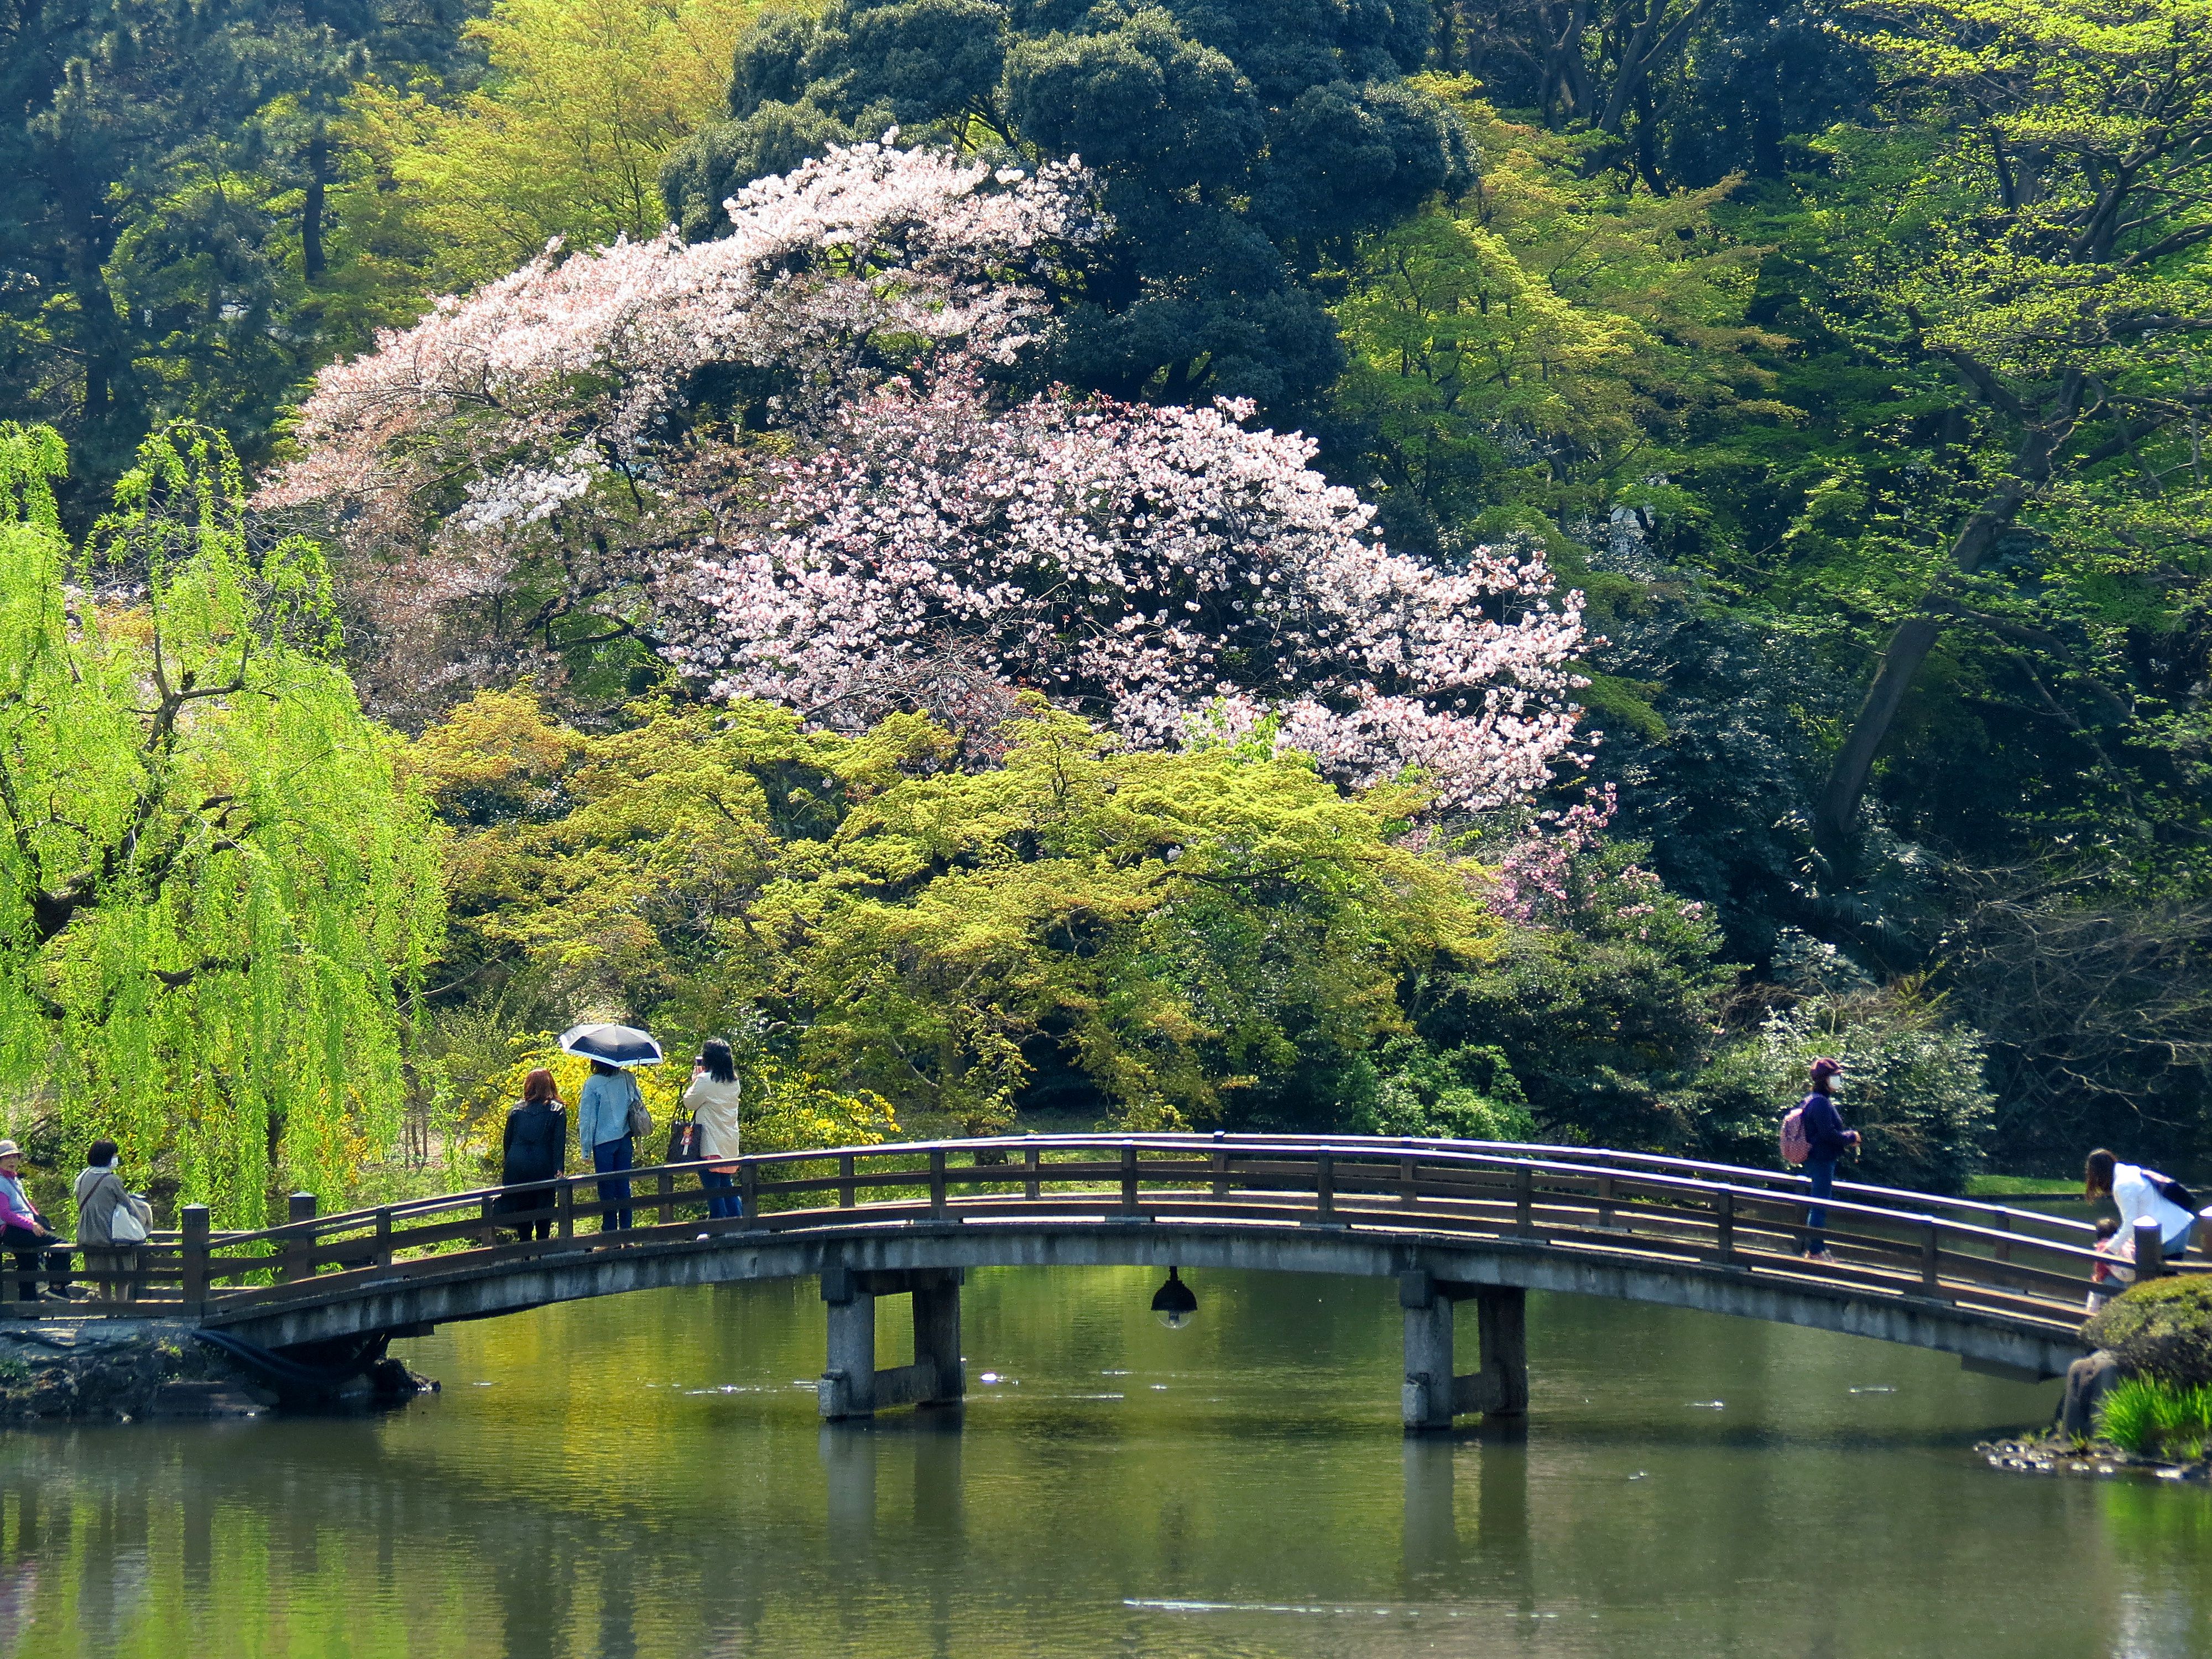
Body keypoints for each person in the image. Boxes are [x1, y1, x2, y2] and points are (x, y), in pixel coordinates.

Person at [1798, 1057, 1861, 1263]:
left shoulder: (1812, 1100)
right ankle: (1815, 1251)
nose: (1838, 1080)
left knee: (1818, 1205)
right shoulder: (1821, 1103)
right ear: (1825, 1079)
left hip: (1815, 1160)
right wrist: (1850, 1138)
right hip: (1822, 1161)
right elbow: (1828, 1134)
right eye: (1835, 1077)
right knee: (1820, 1206)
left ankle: (1818, 1248)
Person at [2083, 1149, 2197, 1258]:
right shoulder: (2132, 1171)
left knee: (2150, 1274)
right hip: (2181, 1225)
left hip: (2166, 1235)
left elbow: (2130, 1224)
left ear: (2099, 1174)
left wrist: (2110, 1249)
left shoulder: (2123, 1186)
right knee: (2169, 1275)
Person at [72, 1139, 147, 1301]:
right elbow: (127, 1204)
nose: (116, 1159)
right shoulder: (112, 1180)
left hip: (89, 1233)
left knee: (103, 1276)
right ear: (108, 1158)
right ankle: (121, 1308)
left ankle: (107, 1308)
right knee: (123, 1274)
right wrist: (142, 1220)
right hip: (110, 1233)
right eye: (114, 1156)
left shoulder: (83, 1177)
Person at [498, 1070, 568, 1241]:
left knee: (523, 1212)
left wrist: (509, 1164)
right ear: (550, 1085)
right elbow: (558, 1142)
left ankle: (526, 1253)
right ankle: (541, 1251)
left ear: (528, 1086)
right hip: (542, 1163)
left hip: (517, 1164)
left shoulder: (516, 1109)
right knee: (544, 1209)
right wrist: (559, 1167)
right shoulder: (557, 1110)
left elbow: (507, 1140)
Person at [0, 1141, 70, 1303]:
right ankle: (57, 1286)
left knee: (28, 1267)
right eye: (6, 1158)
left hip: (23, 1228)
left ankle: (29, 1312)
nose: (11, 1161)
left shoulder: (15, 1180)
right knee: (63, 1245)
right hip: (13, 1230)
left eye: (14, 1157)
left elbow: (26, 1204)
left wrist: (38, 1219)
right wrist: (31, 1225)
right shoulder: (1, 1182)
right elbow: (5, 1213)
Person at [577, 1059, 640, 1232]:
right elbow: (637, 1101)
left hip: (604, 1142)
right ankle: (627, 1232)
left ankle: (610, 1233)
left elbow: (588, 1119)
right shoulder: (627, 1077)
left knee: (606, 1188)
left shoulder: (593, 1084)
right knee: (623, 1185)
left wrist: (586, 1150)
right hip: (625, 1138)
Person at [685, 1040, 743, 1223]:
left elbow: (689, 1102)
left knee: (713, 1188)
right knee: (726, 1184)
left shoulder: (705, 1080)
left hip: (710, 1143)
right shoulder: (734, 1082)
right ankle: (738, 1223)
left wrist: (695, 1080)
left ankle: (718, 1228)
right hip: (729, 1142)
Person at [2085, 1217, 2135, 1314]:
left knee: (2094, 1288)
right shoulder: (2125, 1243)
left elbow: (2100, 1267)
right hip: (2129, 1281)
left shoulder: (2103, 1246)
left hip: (2112, 1282)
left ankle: (2090, 1314)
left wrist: (2097, 1278)